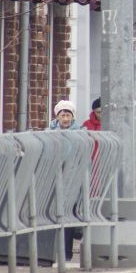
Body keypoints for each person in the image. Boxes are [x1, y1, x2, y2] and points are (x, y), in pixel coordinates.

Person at [47, 99, 81, 261]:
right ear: (57, 117)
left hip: (72, 178)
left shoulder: (80, 132)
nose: (66, 119)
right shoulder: (49, 132)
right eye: (63, 115)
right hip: (53, 177)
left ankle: (67, 252)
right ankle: (52, 250)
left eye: (68, 115)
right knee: (52, 214)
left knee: (68, 214)